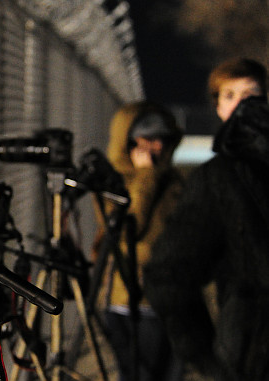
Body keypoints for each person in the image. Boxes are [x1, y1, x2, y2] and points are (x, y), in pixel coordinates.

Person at [143, 57, 269, 381]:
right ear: (217, 106)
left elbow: (167, 277)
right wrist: (208, 357)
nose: (242, 105)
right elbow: (169, 276)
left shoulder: (217, 176)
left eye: (251, 95)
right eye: (231, 95)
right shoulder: (219, 178)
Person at [95, 101, 184, 381]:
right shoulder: (115, 183)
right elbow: (125, 232)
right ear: (127, 141)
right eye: (144, 139)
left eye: (160, 140)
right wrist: (145, 176)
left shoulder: (172, 180)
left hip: (172, 297)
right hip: (132, 298)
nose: (153, 147)